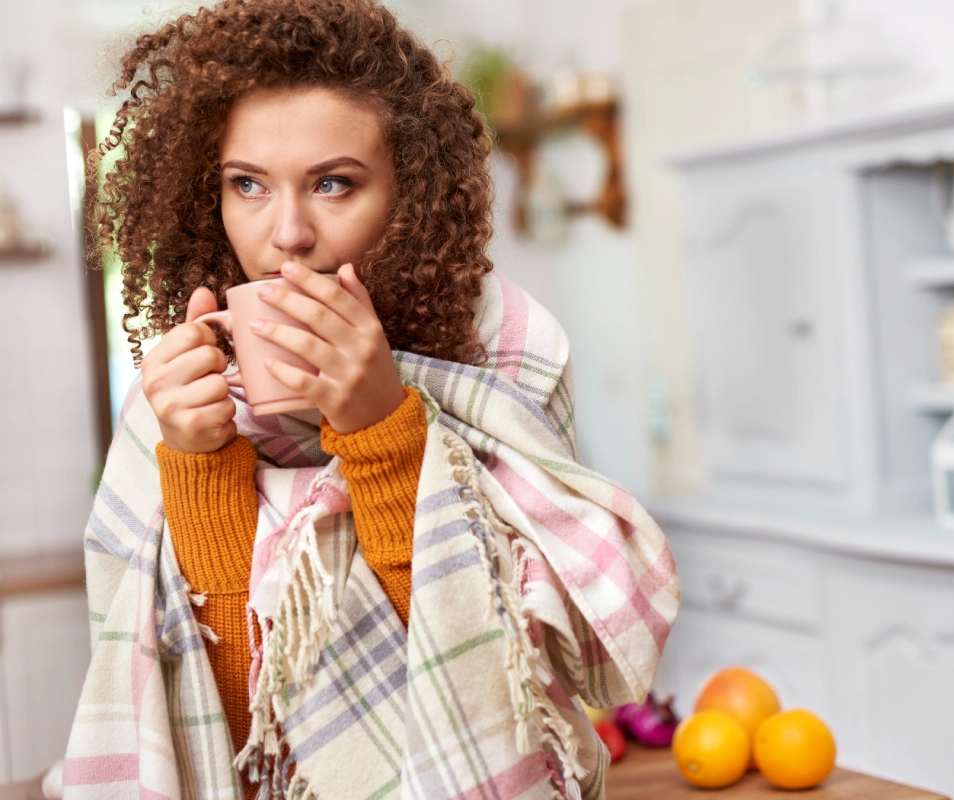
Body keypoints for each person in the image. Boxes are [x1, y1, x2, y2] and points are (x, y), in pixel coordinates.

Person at [63, 1, 680, 798]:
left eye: (332, 184)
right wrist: (200, 463)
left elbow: (489, 688)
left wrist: (384, 431)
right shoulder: (175, 400)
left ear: (407, 198)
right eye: (246, 183)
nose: (286, 233)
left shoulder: (509, 354)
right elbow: (225, 736)